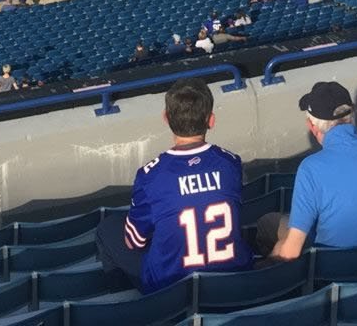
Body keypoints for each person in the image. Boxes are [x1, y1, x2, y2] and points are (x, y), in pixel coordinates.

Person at [97, 79, 250, 292]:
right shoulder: (230, 163)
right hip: (230, 278)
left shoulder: (150, 175)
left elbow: (133, 242)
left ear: (166, 118)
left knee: (107, 228)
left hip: (171, 289)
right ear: (211, 120)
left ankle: (127, 307)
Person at [266, 81, 357, 258]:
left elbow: (292, 251)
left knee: (270, 226)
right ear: (354, 111)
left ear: (312, 126)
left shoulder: (310, 168)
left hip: (338, 271)